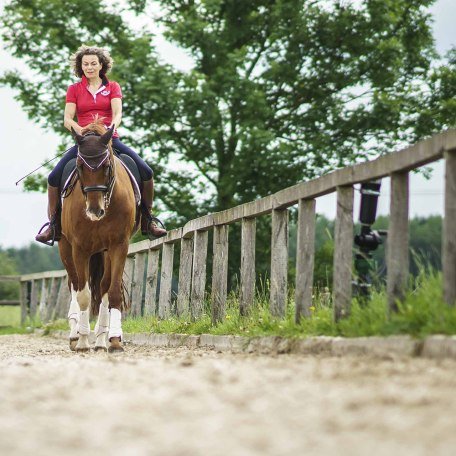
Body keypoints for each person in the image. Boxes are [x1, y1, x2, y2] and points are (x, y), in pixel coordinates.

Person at [35, 45, 166, 244]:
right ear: (80, 66)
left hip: (109, 140)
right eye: (85, 64)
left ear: (101, 65)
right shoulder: (74, 89)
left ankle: (148, 220)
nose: (89, 67)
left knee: (146, 171)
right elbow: (67, 119)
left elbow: (117, 113)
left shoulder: (113, 87)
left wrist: (110, 129)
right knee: (54, 177)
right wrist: (82, 131)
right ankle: (53, 225)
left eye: (93, 63)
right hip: (85, 142)